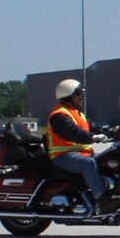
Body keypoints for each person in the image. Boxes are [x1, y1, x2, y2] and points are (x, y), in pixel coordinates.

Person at [46, 79, 110, 214]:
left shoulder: (77, 113)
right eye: (78, 94)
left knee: (109, 159)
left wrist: (114, 131)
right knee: (88, 163)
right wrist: (93, 137)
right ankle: (103, 200)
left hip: (79, 154)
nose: (81, 98)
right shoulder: (59, 115)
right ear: (69, 96)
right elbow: (73, 133)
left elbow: (93, 127)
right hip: (63, 156)